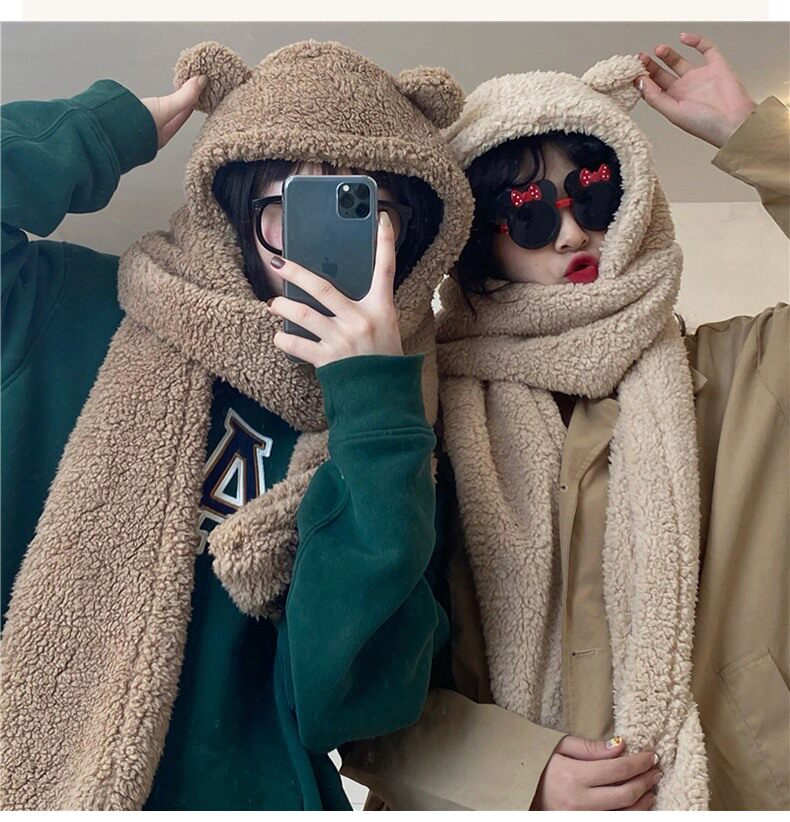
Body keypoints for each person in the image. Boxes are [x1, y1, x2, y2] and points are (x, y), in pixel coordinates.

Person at [0, 40, 473, 810]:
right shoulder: (74, 307)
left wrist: (375, 407)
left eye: (359, 210)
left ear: (409, 236)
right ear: (234, 207)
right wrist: (103, 131)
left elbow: (357, 705)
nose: (317, 245)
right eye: (290, 206)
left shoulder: (401, 424)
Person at [342, 33, 788, 811]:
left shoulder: (743, 375)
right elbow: (354, 672)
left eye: (594, 196)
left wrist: (751, 134)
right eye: (527, 215)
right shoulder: (417, 408)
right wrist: (518, 773)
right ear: (475, 240)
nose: (574, 233)